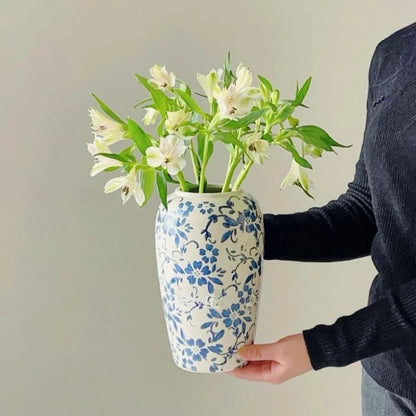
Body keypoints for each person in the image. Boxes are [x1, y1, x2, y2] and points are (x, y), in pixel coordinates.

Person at [226, 21, 416, 415]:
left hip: (371, 342)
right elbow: (366, 209)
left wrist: (320, 348)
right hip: (391, 374)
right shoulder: (395, 53)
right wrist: (239, 235)